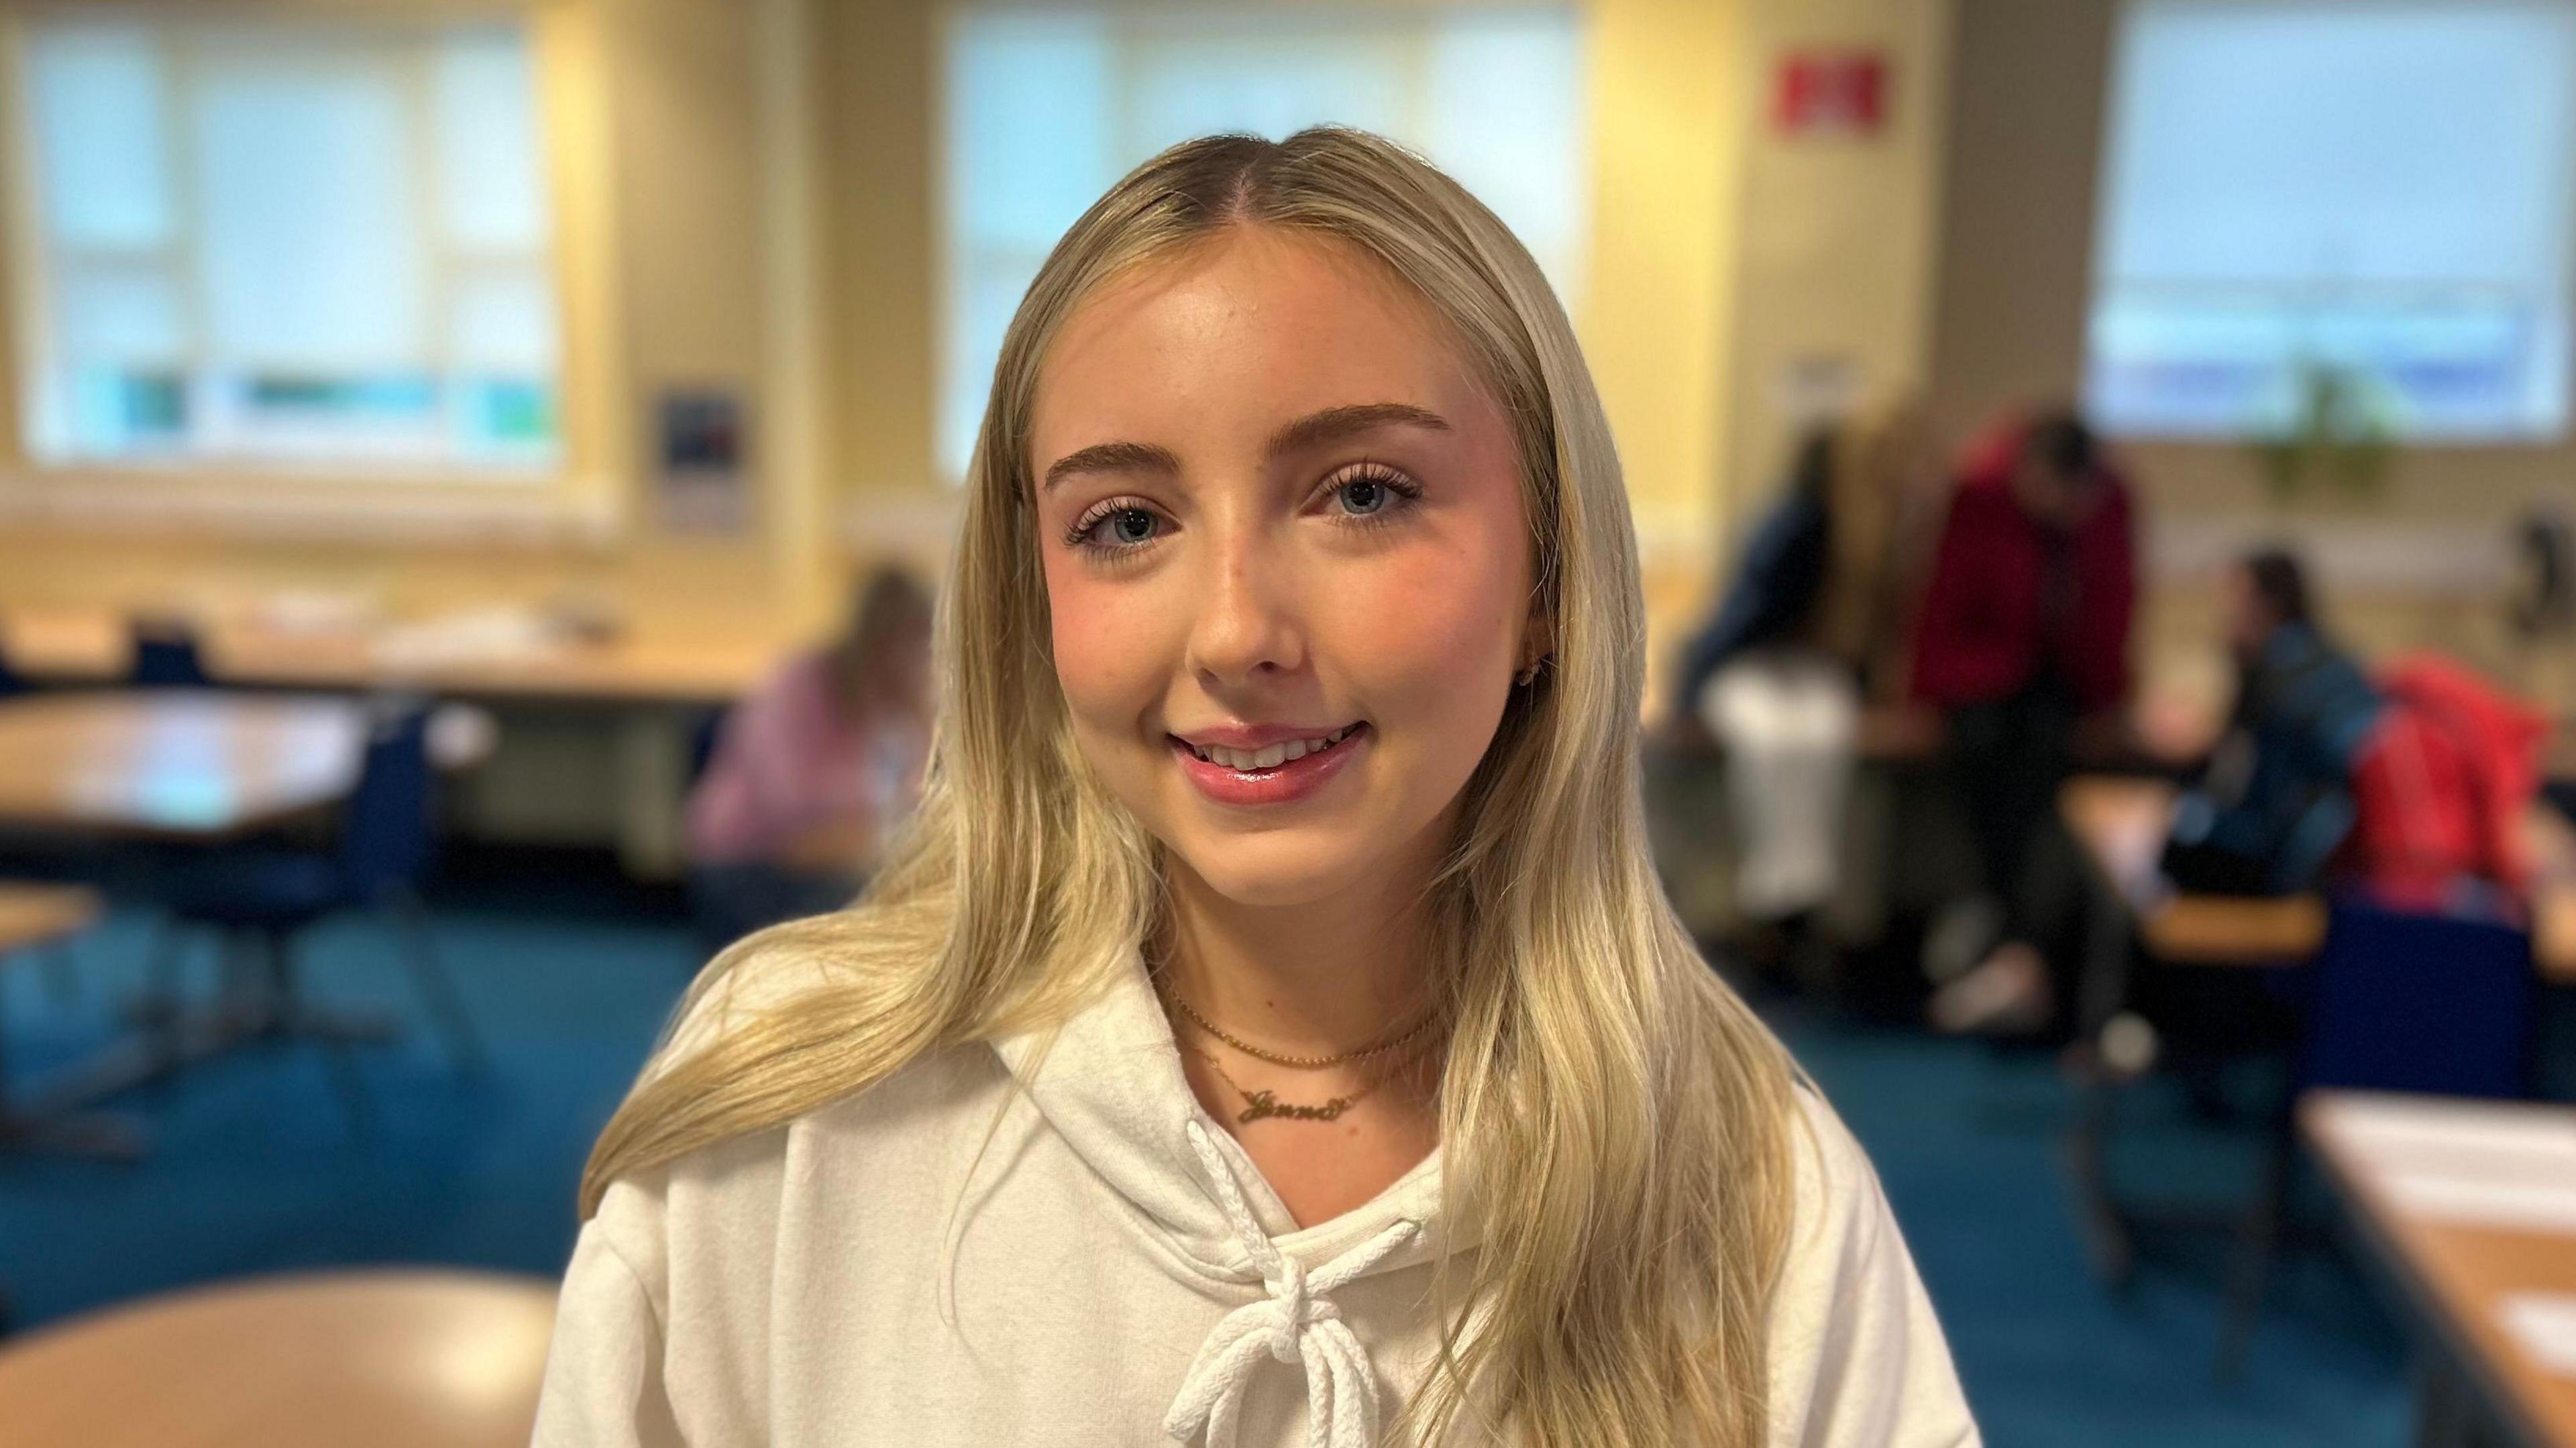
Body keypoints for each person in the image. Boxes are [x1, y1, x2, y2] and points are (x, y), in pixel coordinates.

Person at [535, 129, 1974, 1448]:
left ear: (1547, 578)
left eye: (1360, 493)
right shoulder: (790, 1111)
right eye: (1127, 521)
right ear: (1029, 597)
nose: (1234, 631)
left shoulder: (1754, 1192)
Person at [1664, 401, 1941, 930]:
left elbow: (1876, 639)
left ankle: (1808, 896)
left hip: (1814, 674)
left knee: (1825, 732)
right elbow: (1738, 617)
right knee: (1771, 738)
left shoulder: (1886, 539)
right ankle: (1771, 895)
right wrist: (1688, 700)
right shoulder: (1795, 523)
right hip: (1748, 667)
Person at [1914, 411, 2137, 1037]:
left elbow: (2112, 607)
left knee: (2061, 795)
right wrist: (1923, 696)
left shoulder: (2107, 507)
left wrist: (2108, 704)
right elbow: (1945, 602)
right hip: (1983, 689)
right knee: (1998, 783)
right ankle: (2014, 955)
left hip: (2061, 691)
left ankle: (2021, 960)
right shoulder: (1981, 494)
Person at [682, 565, 934, 948]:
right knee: (881, 918)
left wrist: (920, 718)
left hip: (832, 860)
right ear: (875, 640)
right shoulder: (799, 687)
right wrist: (873, 831)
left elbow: (923, 794)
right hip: (750, 861)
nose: (911, 663)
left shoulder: (897, 701)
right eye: (902, 647)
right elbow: (797, 820)